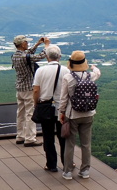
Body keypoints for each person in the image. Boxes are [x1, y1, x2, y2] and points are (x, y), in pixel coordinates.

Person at [58, 50, 101, 180]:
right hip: (89, 113)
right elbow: (98, 73)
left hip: (73, 114)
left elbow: (63, 98)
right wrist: (94, 67)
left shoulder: (68, 78)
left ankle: (68, 171)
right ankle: (85, 170)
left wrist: (61, 113)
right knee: (86, 144)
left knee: (70, 143)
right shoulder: (90, 76)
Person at [32, 45, 68, 173]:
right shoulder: (65, 70)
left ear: (47, 57)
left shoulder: (40, 71)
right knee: (63, 136)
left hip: (45, 106)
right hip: (61, 108)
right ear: (59, 56)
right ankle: (67, 163)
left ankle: (51, 164)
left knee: (48, 137)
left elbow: (36, 90)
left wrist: (36, 104)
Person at [12, 35, 47, 146]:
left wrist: (37, 44)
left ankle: (20, 136)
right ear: (22, 44)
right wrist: (46, 46)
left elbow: (28, 54)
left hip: (19, 88)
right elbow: (40, 56)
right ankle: (30, 139)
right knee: (30, 114)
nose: (27, 44)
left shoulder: (15, 56)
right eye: (26, 42)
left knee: (20, 113)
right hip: (28, 88)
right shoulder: (24, 57)